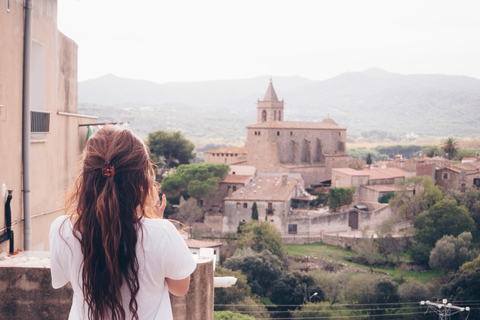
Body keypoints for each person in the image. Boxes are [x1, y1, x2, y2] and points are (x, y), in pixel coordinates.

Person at [49, 126, 196, 320]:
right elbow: (180, 288)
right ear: (142, 179)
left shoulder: (61, 229)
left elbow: (71, 281)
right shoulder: (162, 233)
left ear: (86, 177)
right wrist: (155, 222)